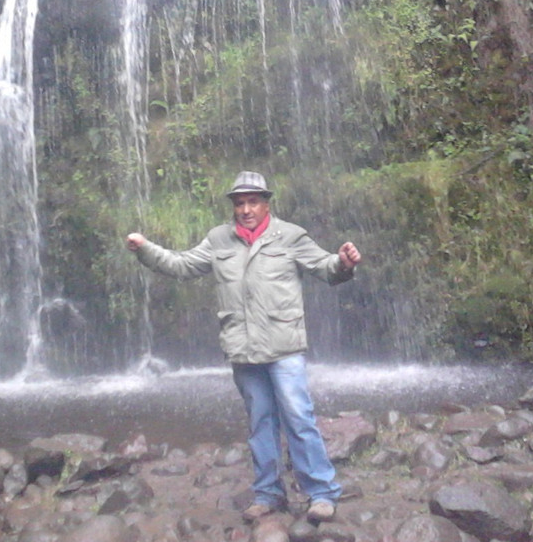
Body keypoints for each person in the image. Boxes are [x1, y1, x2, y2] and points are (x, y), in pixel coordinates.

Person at [125, 171, 361, 524]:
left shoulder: (291, 235)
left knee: (299, 418)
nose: (246, 209)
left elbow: (325, 268)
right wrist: (145, 249)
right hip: (243, 348)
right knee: (260, 423)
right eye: (240, 203)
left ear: (266, 203)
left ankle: (321, 493)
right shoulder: (219, 239)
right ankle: (268, 494)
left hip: (284, 347)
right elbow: (183, 265)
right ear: (233, 206)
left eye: (253, 202)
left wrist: (343, 262)